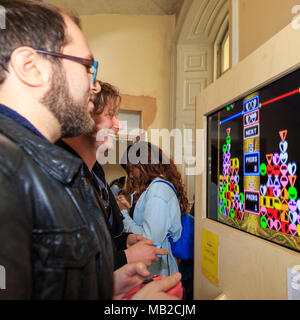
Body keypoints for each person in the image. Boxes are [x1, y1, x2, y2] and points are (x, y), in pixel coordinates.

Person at [0, 0, 181, 299]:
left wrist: (104, 288)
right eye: (87, 67)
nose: (94, 86)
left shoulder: (39, 165)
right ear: (30, 68)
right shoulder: (9, 173)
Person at [59, 80, 168, 270]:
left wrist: (125, 240)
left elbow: (105, 238)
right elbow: (73, 267)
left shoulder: (96, 172)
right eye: (111, 115)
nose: (118, 126)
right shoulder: (66, 176)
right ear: (84, 117)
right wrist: (127, 257)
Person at [117, 141, 190, 277]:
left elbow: (149, 239)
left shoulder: (158, 190)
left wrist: (123, 214)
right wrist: (129, 208)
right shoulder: (153, 188)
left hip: (157, 272)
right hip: (152, 269)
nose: (130, 175)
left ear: (145, 165)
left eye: (131, 169)